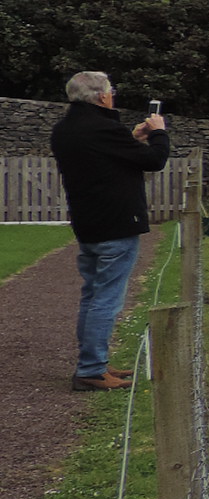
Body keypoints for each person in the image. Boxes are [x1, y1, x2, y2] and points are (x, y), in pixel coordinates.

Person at [49, 71, 171, 391]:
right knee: (106, 300)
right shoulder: (104, 128)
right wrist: (158, 132)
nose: (113, 95)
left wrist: (132, 137)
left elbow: (104, 160)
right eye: (111, 91)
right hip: (116, 224)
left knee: (92, 296)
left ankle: (94, 362)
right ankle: (91, 369)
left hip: (88, 223)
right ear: (102, 96)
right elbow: (155, 161)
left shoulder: (64, 130)